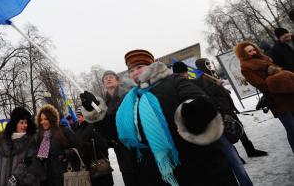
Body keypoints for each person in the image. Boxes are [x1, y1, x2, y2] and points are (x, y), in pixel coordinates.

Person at [81, 49, 238, 186]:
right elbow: (114, 129)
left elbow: (201, 104)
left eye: (139, 67)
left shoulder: (174, 81)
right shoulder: (130, 99)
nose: (135, 72)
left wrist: (193, 111)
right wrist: (94, 110)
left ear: (151, 66)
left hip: (195, 163)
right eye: (131, 70)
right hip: (156, 172)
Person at [173, 61, 254, 186]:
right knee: (233, 159)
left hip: (197, 133)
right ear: (186, 72)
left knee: (219, 165)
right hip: (214, 126)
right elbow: (212, 101)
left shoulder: (174, 89)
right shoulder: (196, 83)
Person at [195, 58, 268, 158]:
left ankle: (250, 150)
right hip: (222, 109)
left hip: (228, 106)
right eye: (206, 63)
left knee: (239, 128)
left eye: (209, 63)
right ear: (202, 66)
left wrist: (224, 90)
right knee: (230, 132)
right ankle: (237, 156)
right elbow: (208, 94)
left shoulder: (212, 74)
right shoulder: (201, 78)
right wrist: (217, 85)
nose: (209, 65)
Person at [235, 41, 294, 153]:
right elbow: (262, 85)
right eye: (249, 51)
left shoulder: (265, 59)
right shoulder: (246, 68)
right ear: (243, 54)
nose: (253, 52)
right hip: (276, 100)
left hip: (289, 95)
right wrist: (281, 78)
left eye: (254, 49)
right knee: (291, 128)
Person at [83, 70, 138, 186]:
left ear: (117, 80)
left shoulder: (129, 95)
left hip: (138, 150)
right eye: (105, 78)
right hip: (123, 155)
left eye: (111, 77)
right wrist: (93, 108)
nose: (108, 79)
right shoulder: (104, 103)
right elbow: (106, 129)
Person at [0, 107, 42, 186]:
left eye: (26, 122)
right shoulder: (1, 140)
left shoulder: (31, 140)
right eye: (21, 123)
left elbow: (33, 163)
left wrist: (17, 177)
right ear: (15, 124)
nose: (25, 125)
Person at [36, 104, 79, 186]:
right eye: (41, 120)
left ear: (52, 119)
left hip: (66, 175)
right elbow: (41, 158)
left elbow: (80, 148)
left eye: (46, 119)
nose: (43, 122)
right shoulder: (41, 135)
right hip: (49, 179)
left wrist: (66, 154)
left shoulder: (64, 130)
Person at [74, 109, 113, 186]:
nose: (78, 118)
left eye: (80, 116)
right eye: (77, 116)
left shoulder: (93, 126)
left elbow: (104, 143)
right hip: (86, 164)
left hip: (99, 163)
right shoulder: (77, 129)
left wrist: (88, 146)